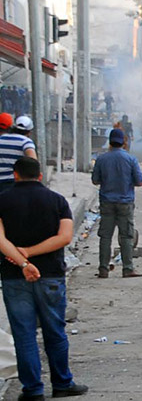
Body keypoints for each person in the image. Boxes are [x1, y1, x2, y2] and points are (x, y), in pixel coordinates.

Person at [0, 157, 89, 399]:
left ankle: (33, 390)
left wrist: (23, 261)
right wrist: (32, 254)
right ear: (40, 175)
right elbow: (65, 237)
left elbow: (0, 240)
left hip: (14, 277)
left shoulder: (2, 201)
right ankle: (62, 384)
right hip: (51, 275)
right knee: (54, 331)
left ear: (15, 175)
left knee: (24, 335)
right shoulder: (58, 201)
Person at [91, 128, 142, 278]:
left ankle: (103, 268)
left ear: (109, 142)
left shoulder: (101, 159)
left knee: (105, 236)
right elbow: (139, 182)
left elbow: (95, 180)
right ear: (124, 142)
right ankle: (128, 268)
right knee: (126, 236)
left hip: (107, 202)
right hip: (125, 203)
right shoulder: (131, 159)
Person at [0, 115, 37, 195]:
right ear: (29, 131)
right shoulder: (26, 142)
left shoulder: (1, 139)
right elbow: (33, 162)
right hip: (13, 183)